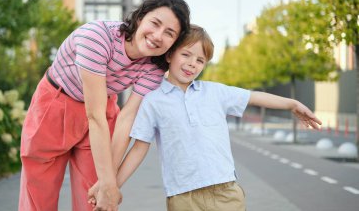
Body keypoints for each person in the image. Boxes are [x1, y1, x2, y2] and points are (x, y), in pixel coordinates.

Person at [93, 24, 322, 211]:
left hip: (225, 194)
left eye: (200, 60)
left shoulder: (215, 92)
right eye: (186, 54)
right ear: (170, 54)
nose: (192, 63)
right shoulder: (152, 100)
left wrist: (291, 103)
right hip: (183, 197)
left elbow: (254, 97)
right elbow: (138, 148)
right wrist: (111, 187)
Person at [18, 0, 190, 211]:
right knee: (39, 195)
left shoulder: (155, 66)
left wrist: (108, 178)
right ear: (140, 18)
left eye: (169, 33)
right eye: (154, 23)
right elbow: (94, 115)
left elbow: (128, 117)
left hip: (103, 109)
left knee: (95, 196)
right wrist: (108, 183)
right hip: (56, 104)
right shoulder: (97, 37)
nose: (157, 36)